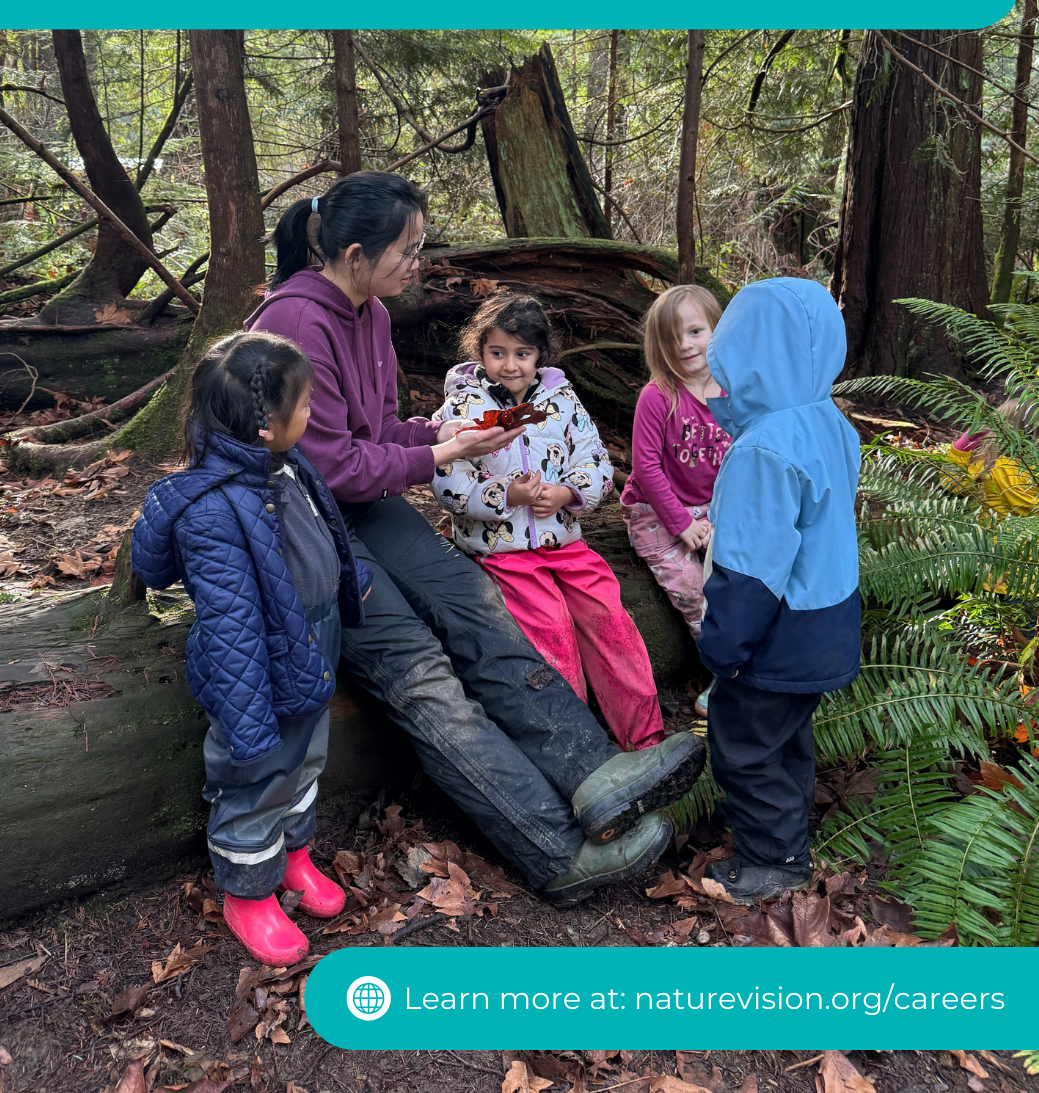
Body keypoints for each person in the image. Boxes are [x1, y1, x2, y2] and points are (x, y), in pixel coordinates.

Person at [245, 172, 705, 904]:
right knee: (421, 672)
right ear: (356, 253)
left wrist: (438, 431)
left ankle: (593, 770)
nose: (419, 263)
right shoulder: (296, 322)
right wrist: (437, 456)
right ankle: (554, 848)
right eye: (409, 249)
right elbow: (324, 463)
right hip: (298, 524)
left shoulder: (367, 312)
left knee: (472, 602)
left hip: (364, 503)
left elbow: (371, 435)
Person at [131, 332, 371, 966]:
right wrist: (246, 716)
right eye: (305, 404)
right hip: (255, 665)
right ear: (265, 424)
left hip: (312, 639)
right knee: (255, 774)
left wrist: (351, 582)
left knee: (306, 759)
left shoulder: (287, 466)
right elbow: (231, 625)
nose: (313, 413)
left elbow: (325, 536)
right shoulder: (212, 511)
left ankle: (293, 856)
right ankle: (248, 890)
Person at [432, 292, 664, 752]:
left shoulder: (562, 399)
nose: (511, 365)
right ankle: (578, 750)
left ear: (541, 355)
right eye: (498, 353)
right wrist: (505, 495)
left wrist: (567, 493)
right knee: (551, 635)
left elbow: (594, 458)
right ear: (480, 350)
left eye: (523, 354)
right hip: (505, 554)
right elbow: (447, 482)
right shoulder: (461, 407)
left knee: (611, 621)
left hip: (565, 544)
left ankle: (647, 740)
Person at [696, 278, 861, 906]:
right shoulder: (830, 422)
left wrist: (723, 647)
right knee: (787, 736)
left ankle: (773, 863)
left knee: (742, 748)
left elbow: (753, 569)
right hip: (829, 620)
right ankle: (788, 837)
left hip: (777, 632)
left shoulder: (761, 450)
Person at [621, 284, 731, 716]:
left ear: (717, 331)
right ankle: (725, 676)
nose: (684, 345)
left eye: (695, 331)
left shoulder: (731, 392)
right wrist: (681, 525)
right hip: (656, 511)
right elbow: (646, 470)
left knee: (739, 580)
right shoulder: (659, 397)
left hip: (714, 509)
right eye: (672, 337)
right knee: (695, 590)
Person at [943, 397, 1039, 517]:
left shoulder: (986, 469)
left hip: (988, 534)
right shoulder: (1034, 473)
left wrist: (962, 446)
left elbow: (950, 483)